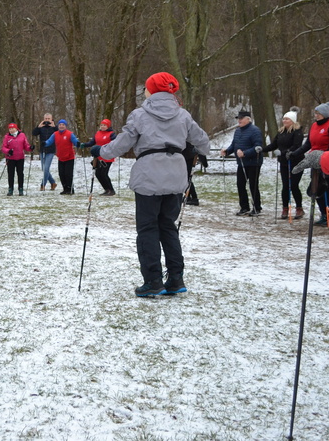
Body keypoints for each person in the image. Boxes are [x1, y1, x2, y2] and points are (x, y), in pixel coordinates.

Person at [91, 72, 209, 297]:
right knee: (168, 226)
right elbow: (202, 140)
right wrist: (197, 151)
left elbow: (123, 143)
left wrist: (101, 151)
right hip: (175, 175)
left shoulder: (140, 115)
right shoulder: (182, 115)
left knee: (147, 228)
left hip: (149, 175)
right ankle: (175, 279)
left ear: (152, 90)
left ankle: (153, 281)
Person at [290, 102, 329, 227]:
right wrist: (295, 153)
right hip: (315, 163)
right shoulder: (314, 126)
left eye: (319, 113)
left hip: (327, 162)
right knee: (315, 190)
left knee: (325, 189)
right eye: (316, 113)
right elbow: (308, 144)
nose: (316, 115)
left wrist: (327, 152)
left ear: (325, 114)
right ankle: (324, 214)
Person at [262, 108, 305, 220]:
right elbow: (274, 144)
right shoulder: (281, 132)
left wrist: (284, 152)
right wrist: (262, 149)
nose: (284, 121)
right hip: (284, 162)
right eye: (284, 118)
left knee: (294, 185)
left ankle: (299, 208)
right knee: (285, 186)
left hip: (296, 162)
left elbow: (296, 146)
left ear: (292, 121)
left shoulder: (298, 132)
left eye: (287, 119)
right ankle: (285, 208)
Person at [220, 110, 264, 216]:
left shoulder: (255, 131)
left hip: (254, 162)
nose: (239, 120)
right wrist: (227, 151)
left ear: (248, 119)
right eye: (238, 118)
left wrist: (245, 153)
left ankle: (257, 207)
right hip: (242, 163)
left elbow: (258, 147)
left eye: (241, 118)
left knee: (253, 185)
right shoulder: (238, 131)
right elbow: (234, 145)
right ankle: (244, 207)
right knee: (240, 184)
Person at [43, 119, 80, 195]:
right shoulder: (55, 134)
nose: (61, 126)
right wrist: (44, 143)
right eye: (60, 125)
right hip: (61, 157)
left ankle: (70, 189)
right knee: (61, 174)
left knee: (68, 174)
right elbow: (49, 141)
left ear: (65, 126)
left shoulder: (70, 134)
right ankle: (65, 188)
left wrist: (78, 144)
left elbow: (75, 141)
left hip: (69, 157)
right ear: (58, 126)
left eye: (63, 125)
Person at [81, 119, 117, 195]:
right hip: (98, 157)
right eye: (101, 125)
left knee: (104, 173)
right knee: (98, 174)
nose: (103, 126)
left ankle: (111, 190)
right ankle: (106, 189)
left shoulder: (111, 134)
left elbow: (115, 143)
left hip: (107, 157)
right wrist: (84, 145)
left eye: (104, 125)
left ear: (108, 126)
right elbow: (92, 142)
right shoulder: (98, 133)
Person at [1, 123, 32, 196]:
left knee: (20, 174)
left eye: (12, 128)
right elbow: (3, 147)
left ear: (16, 128)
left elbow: (26, 145)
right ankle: (10, 189)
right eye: (10, 129)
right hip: (10, 158)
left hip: (20, 158)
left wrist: (30, 148)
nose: (11, 130)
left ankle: (20, 189)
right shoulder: (7, 137)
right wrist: (8, 151)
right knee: (10, 174)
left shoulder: (22, 135)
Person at [32, 114, 58, 191]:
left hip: (51, 150)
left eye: (48, 118)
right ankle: (53, 183)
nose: (47, 120)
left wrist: (54, 127)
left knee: (46, 168)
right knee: (44, 168)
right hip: (42, 150)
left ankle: (43, 184)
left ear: (51, 119)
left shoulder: (54, 128)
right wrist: (38, 127)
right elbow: (34, 133)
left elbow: (59, 133)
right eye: (45, 118)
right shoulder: (41, 127)